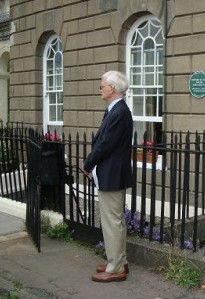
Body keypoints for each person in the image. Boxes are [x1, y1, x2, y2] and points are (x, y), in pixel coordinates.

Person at [83, 71, 133, 283]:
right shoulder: (116, 110)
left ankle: (115, 268)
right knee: (116, 221)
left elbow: (105, 144)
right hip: (112, 174)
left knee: (112, 222)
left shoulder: (119, 112)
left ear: (112, 88)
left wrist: (88, 164)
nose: (100, 88)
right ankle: (119, 261)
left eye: (102, 85)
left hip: (111, 175)